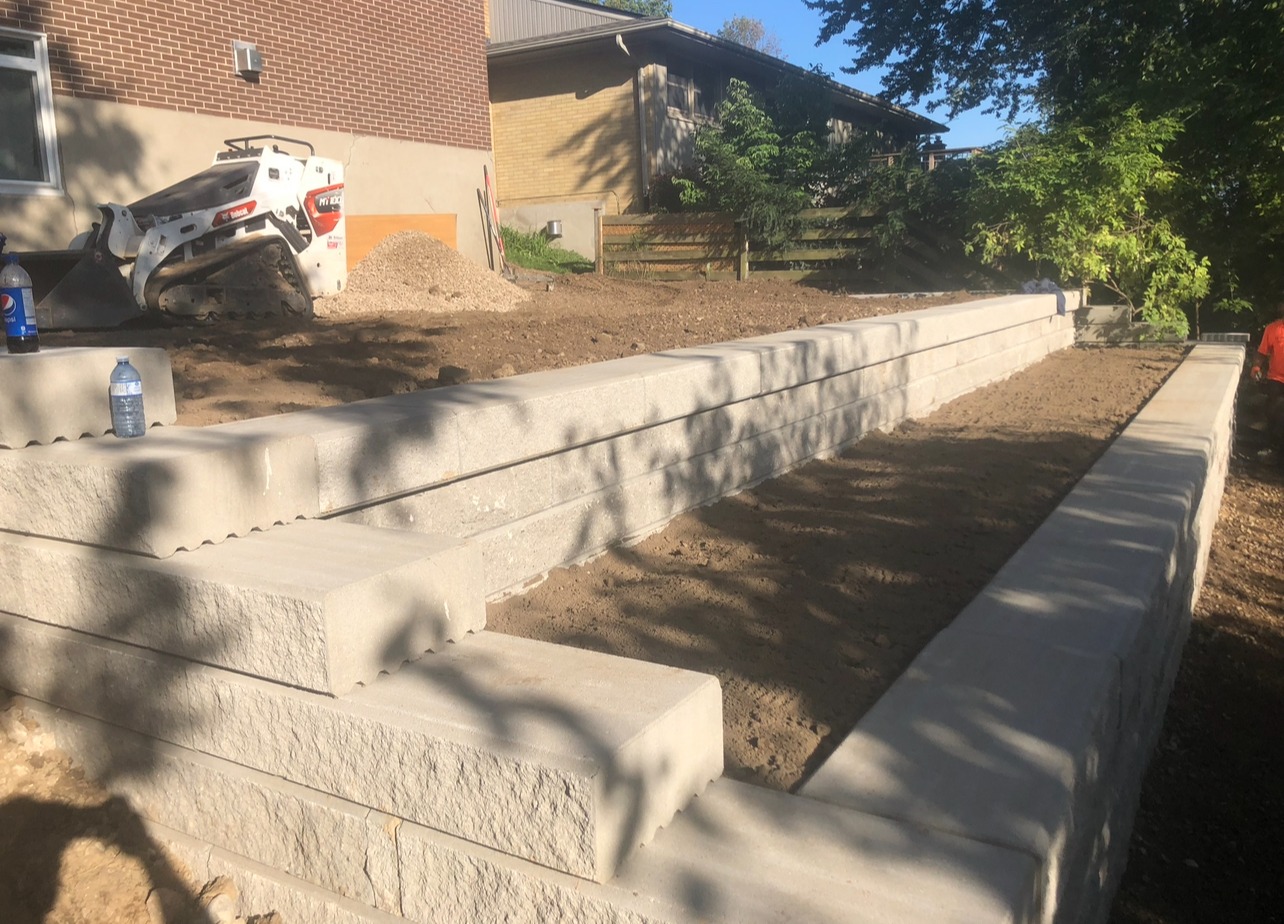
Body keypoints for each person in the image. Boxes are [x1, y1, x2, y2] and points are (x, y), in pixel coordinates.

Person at [1250, 297, 1284, 461]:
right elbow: (1262, 352)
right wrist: (1256, 367)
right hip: (1276, 378)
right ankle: (1272, 448)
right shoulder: (1272, 329)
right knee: (1273, 411)